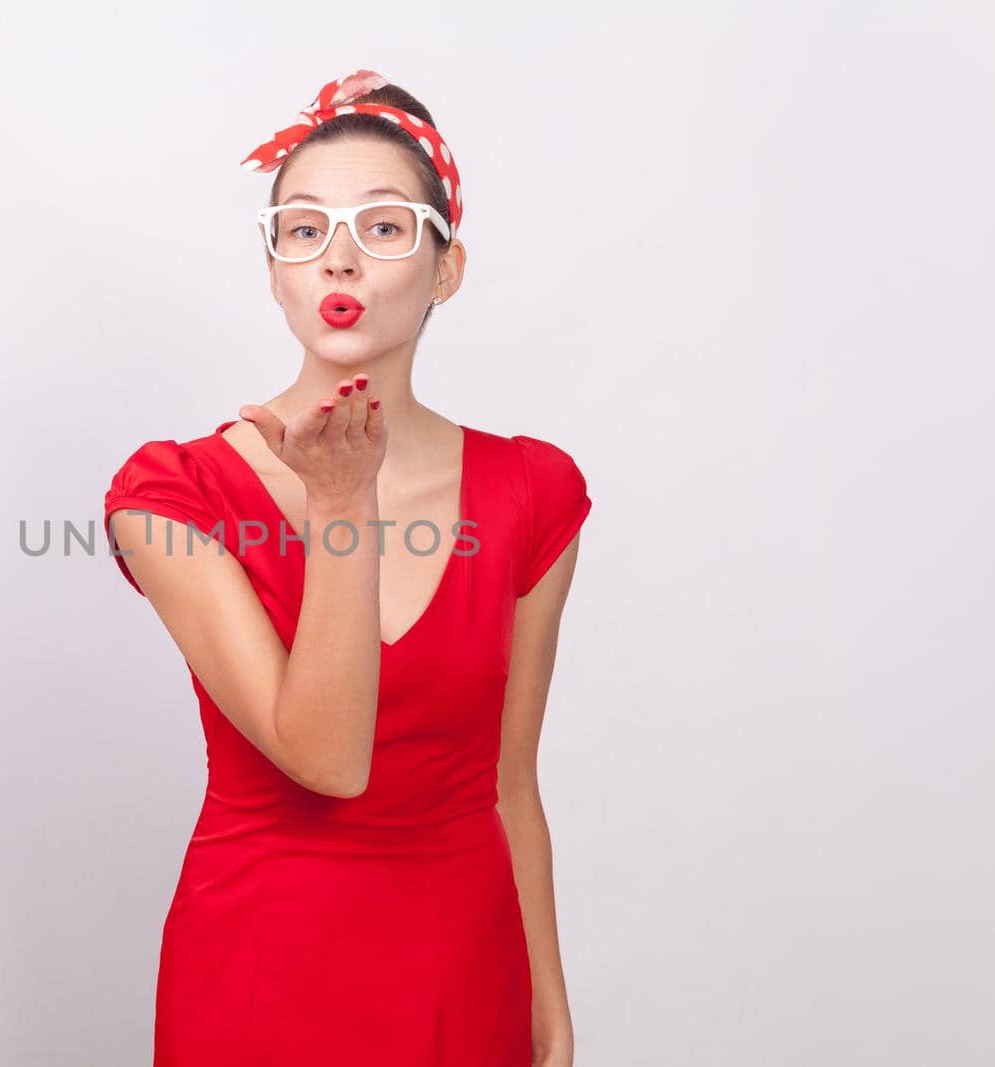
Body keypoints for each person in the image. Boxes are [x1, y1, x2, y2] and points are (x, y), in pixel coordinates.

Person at [103, 68, 593, 1067]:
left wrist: (547, 1003)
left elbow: (509, 779)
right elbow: (325, 756)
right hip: (257, 971)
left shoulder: (532, 492)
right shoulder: (170, 491)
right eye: (302, 228)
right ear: (274, 269)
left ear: (444, 267)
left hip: (461, 967)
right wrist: (340, 504)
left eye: (382, 227)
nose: (339, 258)